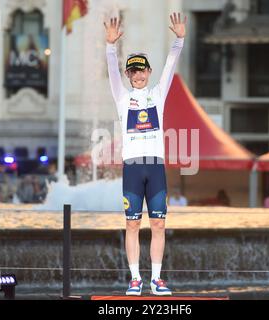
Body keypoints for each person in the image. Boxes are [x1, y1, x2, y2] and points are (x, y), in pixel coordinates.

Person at [104, 13, 186, 296]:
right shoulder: (122, 98)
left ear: (148, 72)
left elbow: (170, 65)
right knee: (132, 223)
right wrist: (110, 47)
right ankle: (135, 279)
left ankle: (156, 279)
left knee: (159, 224)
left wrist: (179, 39)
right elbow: (112, 73)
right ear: (128, 75)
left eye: (142, 70)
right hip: (132, 169)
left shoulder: (158, 94)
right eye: (133, 71)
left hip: (155, 168)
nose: (138, 75)